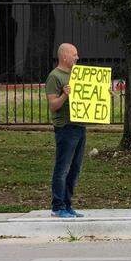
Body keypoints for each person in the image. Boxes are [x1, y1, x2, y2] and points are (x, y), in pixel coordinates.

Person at [46, 43, 85, 219]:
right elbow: (53, 106)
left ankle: (68, 205)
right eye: (74, 55)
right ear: (64, 56)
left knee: (75, 168)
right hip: (65, 127)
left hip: (79, 125)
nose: (77, 58)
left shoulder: (78, 75)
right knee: (62, 168)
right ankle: (57, 206)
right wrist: (65, 95)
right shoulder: (55, 77)